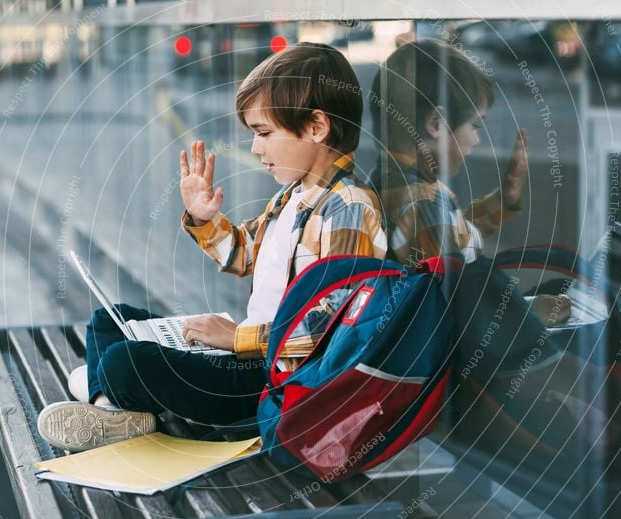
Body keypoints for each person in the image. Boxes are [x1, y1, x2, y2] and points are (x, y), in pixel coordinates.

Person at [37, 43, 387, 452]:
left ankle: (108, 398)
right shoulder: (293, 196)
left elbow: (330, 329)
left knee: (123, 361)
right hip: (246, 356)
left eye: (264, 133)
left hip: (272, 383)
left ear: (315, 127)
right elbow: (243, 254)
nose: (256, 148)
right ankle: (112, 409)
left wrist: (238, 337)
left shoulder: (348, 210)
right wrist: (204, 219)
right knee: (109, 321)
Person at [368, 39, 571, 323]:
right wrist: (529, 312)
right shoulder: (421, 201)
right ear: (436, 124)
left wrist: (502, 201)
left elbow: (449, 241)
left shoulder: (395, 183)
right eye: (474, 125)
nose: (476, 139)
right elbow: (460, 308)